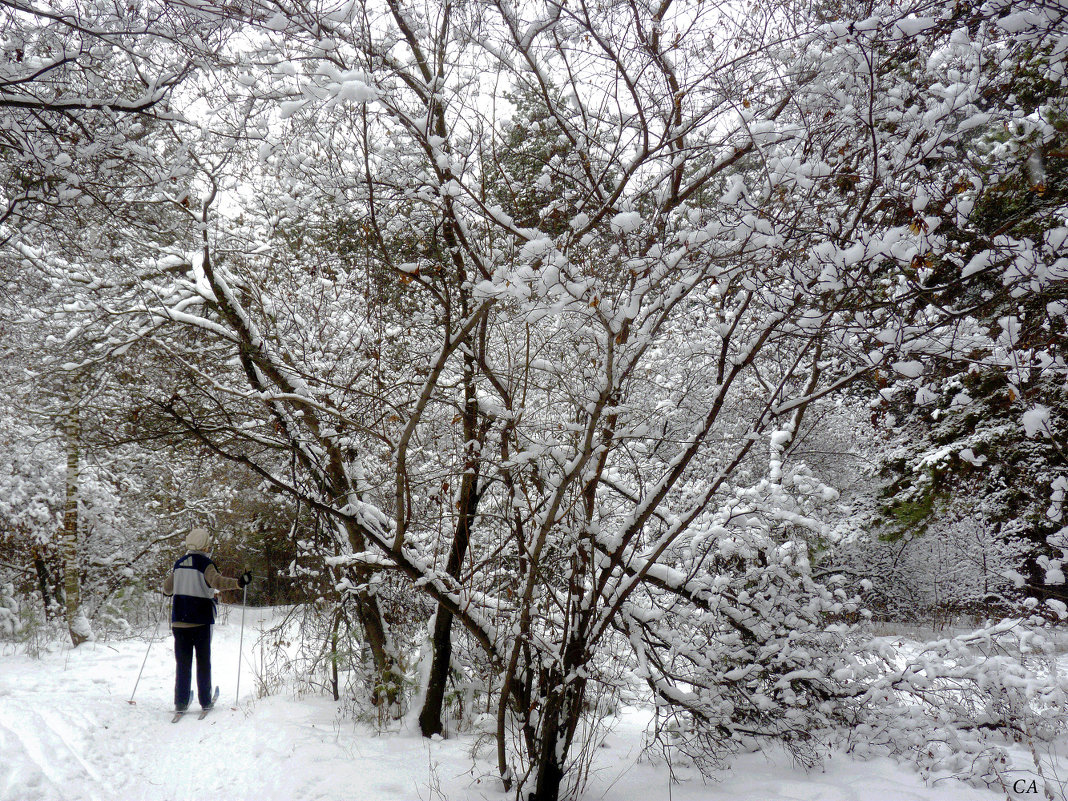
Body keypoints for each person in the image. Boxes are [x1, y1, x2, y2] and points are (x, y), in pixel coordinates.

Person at [162, 527, 252, 712]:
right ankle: (205, 700)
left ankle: (181, 701)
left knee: (183, 662)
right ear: (204, 544)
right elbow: (217, 582)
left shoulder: (179, 564)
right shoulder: (205, 564)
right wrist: (239, 583)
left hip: (179, 621)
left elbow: (166, 589)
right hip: (201, 621)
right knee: (203, 661)